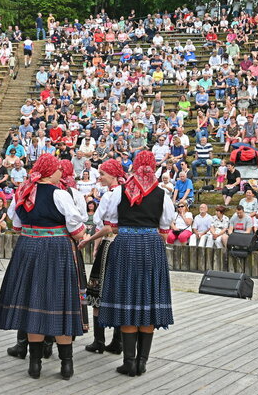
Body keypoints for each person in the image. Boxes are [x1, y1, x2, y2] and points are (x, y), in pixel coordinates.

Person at [0, 154, 87, 380]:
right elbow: (77, 228)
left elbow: (16, 225)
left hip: (28, 248)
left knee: (33, 301)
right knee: (60, 301)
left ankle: (34, 365)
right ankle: (66, 365)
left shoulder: (23, 192)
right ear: (49, 171)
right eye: (57, 169)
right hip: (56, 249)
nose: (61, 173)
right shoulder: (60, 194)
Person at [98, 150, 175, 377]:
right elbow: (165, 227)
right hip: (151, 244)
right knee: (148, 299)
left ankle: (129, 362)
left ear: (134, 166)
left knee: (126, 296)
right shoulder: (163, 194)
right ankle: (142, 362)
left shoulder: (119, 192)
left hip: (125, 243)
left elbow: (108, 222)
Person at [79, 159, 127, 356]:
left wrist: (91, 242)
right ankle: (118, 341)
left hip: (110, 243)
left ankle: (99, 341)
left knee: (98, 291)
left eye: (103, 174)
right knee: (118, 291)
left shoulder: (111, 195)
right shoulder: (126, 192)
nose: (100, 177)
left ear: (113, 175)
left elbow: (105, 226)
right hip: (124, 244)